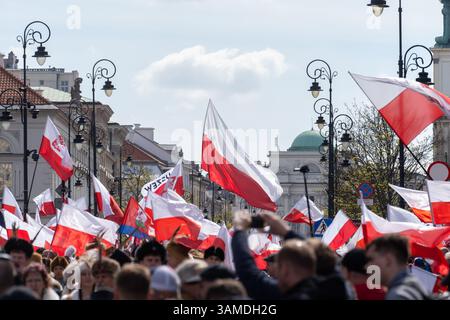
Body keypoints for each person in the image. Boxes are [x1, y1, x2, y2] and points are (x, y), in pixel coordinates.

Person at [366, 234, 428, 300]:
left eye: (371, 259)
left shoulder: (397, 295)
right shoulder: (415, 286)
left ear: (388, 260)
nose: (366, 266)